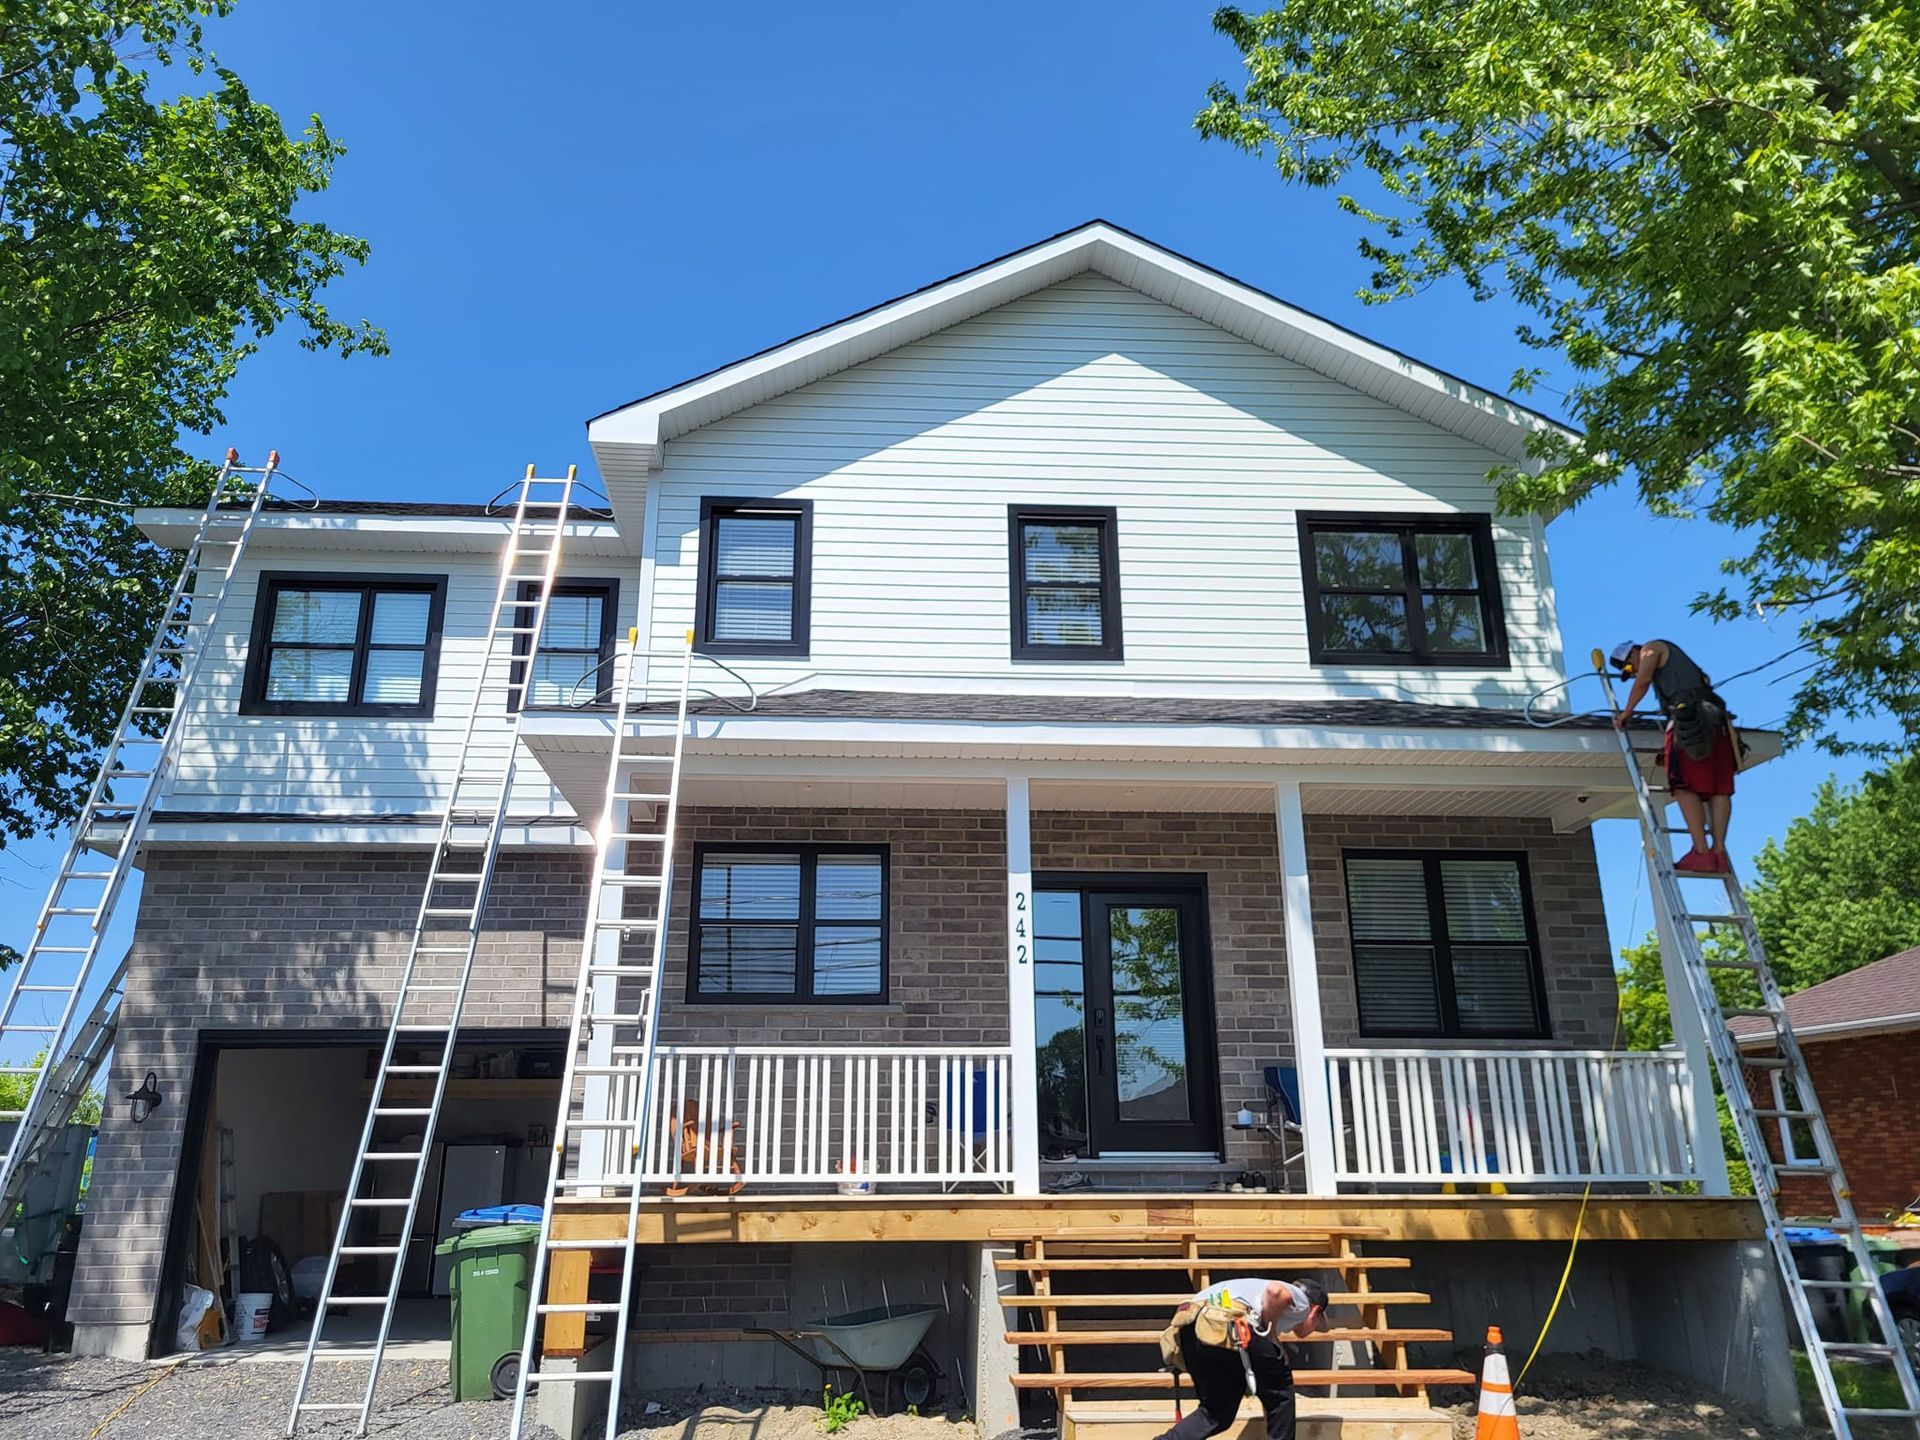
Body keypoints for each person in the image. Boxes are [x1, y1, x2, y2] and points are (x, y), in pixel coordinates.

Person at [1609, 639, 1740, 872]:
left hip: (1689, 723)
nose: (1634, 671)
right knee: (1719, 788)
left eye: (1630, 666)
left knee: (1682, 786)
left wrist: (1626, 713)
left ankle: (1701, 852)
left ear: (1634, 652)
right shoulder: (1681, 665)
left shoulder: (1652, 647)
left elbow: (1643, 681)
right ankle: (1719, 853)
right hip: (1715, 721)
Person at [1155, 1277, 1329, 1440]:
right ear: (1315, 1311)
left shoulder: (1251, 1288)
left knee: (1216, 1413)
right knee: (1281, 1393)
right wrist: (1271, 1335)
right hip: (1227, 1322)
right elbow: (1276, 1292)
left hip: (1189, 1328)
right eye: (1316, 1323)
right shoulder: (1302, 1301)